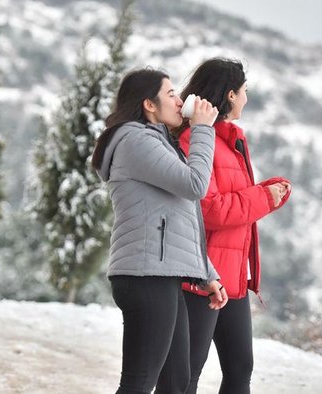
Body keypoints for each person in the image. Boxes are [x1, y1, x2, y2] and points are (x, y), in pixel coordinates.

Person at [91, 68, 229, 394]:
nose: (179, 101)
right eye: (171, 94)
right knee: (138, 383)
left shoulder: (156, 142)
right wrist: (203, 129)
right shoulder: (136, 141)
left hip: (159, 275)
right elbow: (195, 185)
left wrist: (206, 273)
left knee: (176, 382)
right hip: (145, 276)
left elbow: (180, 216)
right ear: (149, 104)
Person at [176, 58, 292, 393]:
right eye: (244, 91)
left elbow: (235, 200)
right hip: (200, 275)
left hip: (233, 275)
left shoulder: (232, 141)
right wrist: (263, 197)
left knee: (240, 368)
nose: (246, 98)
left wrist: (268, 193)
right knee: (186, 374)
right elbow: (210, 209)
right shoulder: (195, 139)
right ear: (230, 94)